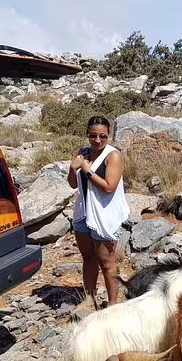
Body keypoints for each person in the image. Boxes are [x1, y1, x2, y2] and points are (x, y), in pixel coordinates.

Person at [67, 116, 129, 312]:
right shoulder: (83, 153)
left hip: (104, 215)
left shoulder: (113, 156)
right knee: (88, 257)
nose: (98, 140)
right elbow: (73, 184)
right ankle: (89, 298)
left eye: (102, 136)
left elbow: (109, 187)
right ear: (88, 135)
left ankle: (113, 305)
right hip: (83, 212)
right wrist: (72, 168)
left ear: (108, 135)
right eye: (93, 136)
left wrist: (87, 171)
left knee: (107, 262)